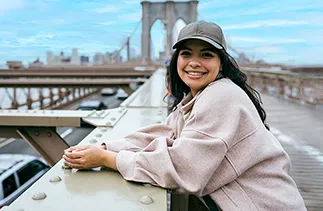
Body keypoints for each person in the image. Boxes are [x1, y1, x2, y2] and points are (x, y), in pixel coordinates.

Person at [63, 20, 306, 211]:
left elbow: (184, 168)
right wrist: (109, 147)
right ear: (176, 59)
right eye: (187, 53)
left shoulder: (222, 97)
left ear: (222, 63)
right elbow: (166, 133)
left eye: (207, 55)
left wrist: (107, 160)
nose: (194, 63)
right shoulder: (198, 97)